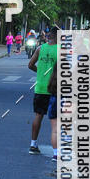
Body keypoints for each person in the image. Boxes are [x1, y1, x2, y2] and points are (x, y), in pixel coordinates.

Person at [28, 25, 58, 154]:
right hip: (54, 89)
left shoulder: (40, 48)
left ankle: (33, 144)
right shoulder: (62, 50)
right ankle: (57, 152)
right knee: (56, 120)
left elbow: (30, 65)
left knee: (38, 116)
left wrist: (40, 72)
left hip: (40, 87)